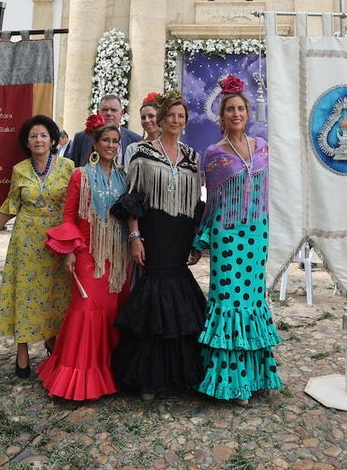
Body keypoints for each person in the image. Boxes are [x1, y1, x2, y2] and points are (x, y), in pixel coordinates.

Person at [112, 91, 207, 402]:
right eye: (171, 116)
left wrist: (196, 239)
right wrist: (134, 237)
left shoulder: (193, 157)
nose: (176, 121)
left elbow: (195, 203)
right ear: (162, 118)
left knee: (178, 291)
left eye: (181, 116)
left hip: (179, 234)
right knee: (153, 292)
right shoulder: (141, 152)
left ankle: (179, 374)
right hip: (152, 230)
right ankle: (148, 378)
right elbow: (134, 196)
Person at [194, 76, 282, 405]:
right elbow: (212, 201)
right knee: (228, 302)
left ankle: (256, 376)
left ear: (248, 113)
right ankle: (230, 380)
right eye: (229, 109)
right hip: (227, 237)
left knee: (252, 301)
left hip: (256, 234)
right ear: (222, 116)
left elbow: (273, 191)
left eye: (240, 108)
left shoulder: (263, 147)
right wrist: (201, 238)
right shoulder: (213, 153)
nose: (235, 113)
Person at [35, 114, 130, 400]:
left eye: (115, 141)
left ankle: (110, 373)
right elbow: (69, 215)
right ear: (95, 143)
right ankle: (76, 376)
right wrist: (71, 252)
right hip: (88, 253)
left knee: (113, 311)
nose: (111, 146)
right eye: (106, 141)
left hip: (117, 255)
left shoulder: (124, 176)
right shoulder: (80, 175)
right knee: (85, 309)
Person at [0, 114, 74, 378]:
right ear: (27, 143)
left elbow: (74, 206)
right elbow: (10, 205)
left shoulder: (68, 167)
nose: (39, 139)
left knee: (56, 293)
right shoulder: (20, 170)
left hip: (59, 240)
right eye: (33, 136)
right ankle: (22, 350)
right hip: (27, 240)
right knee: (25, 295)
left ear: (53, 139)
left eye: (43, 135)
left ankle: (52, 340)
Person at [65, 95, 142, 167]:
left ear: (121, 114)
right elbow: (71, 168)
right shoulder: (81, 138)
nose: (108, 113)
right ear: (98, 113)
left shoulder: (135, 140)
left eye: (113, 110)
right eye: (105, 110)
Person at [124, 92, 160, 169]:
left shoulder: (172, 148)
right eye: (143, 118)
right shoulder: (132, 149)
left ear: (160, 118)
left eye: (151, 116)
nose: (147, 120)